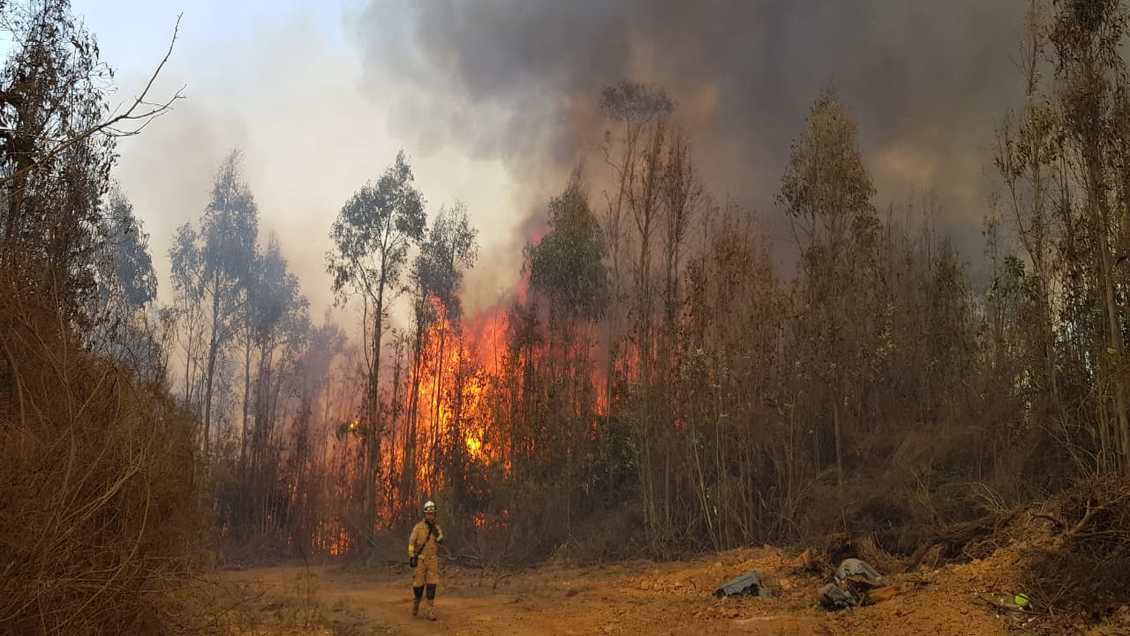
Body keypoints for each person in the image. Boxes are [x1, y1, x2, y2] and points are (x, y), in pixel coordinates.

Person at [407, 500, 444, 620]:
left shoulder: (437, 528)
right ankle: (416, 603)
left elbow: (441, 540)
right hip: (420, 561)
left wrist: (437, 533)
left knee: (432, 586)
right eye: (428, 513)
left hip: (432, 561)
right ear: (425, 514)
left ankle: (430, 611)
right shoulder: (418, 528)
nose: (430, 515)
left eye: (432, 513)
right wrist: (412, 555)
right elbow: (411, 543)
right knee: (418, 586)